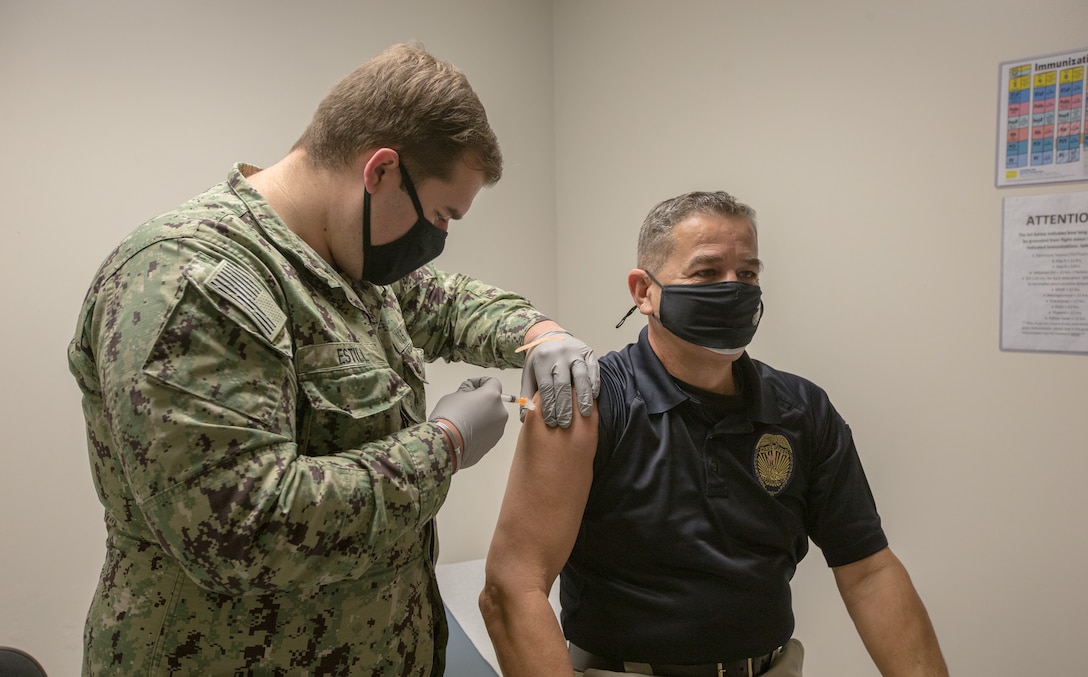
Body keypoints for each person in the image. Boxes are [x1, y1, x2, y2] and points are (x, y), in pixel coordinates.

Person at [67, 42, 598, 675]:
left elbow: (445, 304)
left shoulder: (341, 260)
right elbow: (245, 530)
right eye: (439, 214)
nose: (439, 240)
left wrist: (536, 332)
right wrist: (446, 444)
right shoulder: (194, 280)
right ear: (379, 171)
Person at [480, 191, 949, 676]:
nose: (732, 289)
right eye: (706, 273)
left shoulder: (802, 412)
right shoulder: (588, 404)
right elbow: (511, 590)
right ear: (644, 292)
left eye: (747, 274)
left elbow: (869, 572)